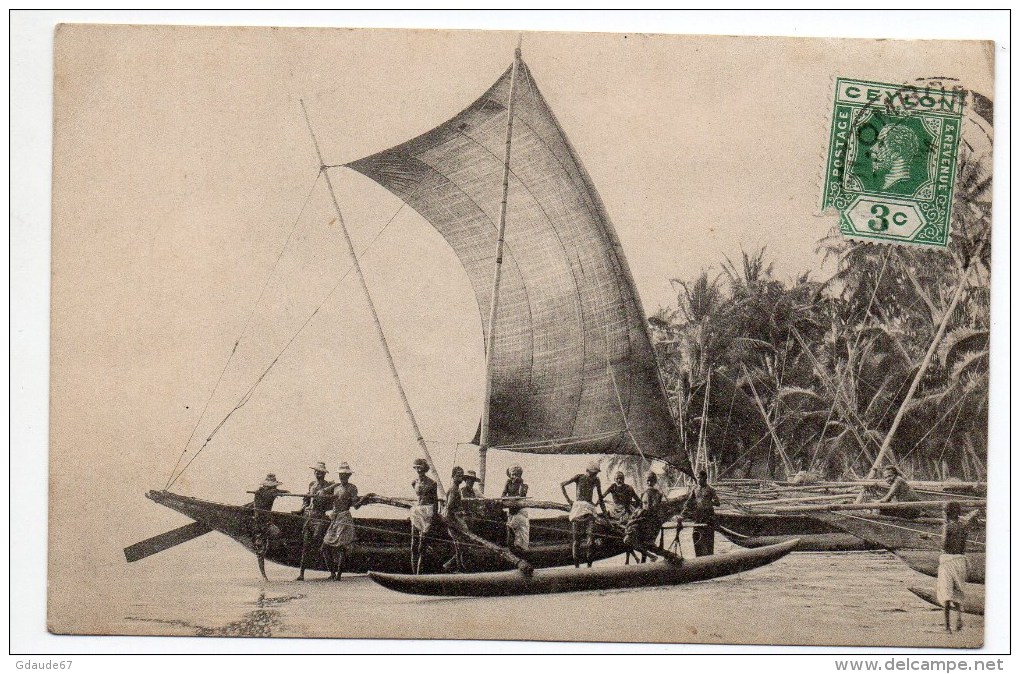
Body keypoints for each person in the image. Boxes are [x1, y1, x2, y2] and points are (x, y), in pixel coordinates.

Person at [321, 462, 370, 581]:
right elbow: (322, 493)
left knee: (342, 548)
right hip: (334, 518)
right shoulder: (336, 487)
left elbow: (356, 506)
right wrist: (329, 487)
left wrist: (365, 498)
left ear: (348, 476)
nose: (342, 477)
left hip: (344, 517)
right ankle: (332, 573)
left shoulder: (352, 488)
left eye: (345, 475)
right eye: (341, 475)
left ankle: (338, 575)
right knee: (325, 546)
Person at [938, 501, 982, 632]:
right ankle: (958, 619)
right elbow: (962, 546)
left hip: (948, 561)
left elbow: (944, 546)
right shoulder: (963, 527)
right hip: (961, 561)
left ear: (947, 513)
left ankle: (947, 627)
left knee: (946, 592)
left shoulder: (948, 527)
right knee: (958, 591)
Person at [561, 461, 605, 568]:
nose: (594, 475)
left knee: (590, 542)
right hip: (578, 510)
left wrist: (605, 515)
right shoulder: (579, 477)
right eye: (593, 473)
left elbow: (600, 497)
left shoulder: (596, 480)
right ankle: (577, 567)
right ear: (588, 471)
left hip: (589, 511)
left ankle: (589, 566)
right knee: (576, 542)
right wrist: (569, 501)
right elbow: (562, 485)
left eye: (596, 473)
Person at [294, 462, 333, 581]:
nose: (318, 474)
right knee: (306, 546)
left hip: (320, 517)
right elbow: (307, 499)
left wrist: (325, 493)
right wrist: (303, 507)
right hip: (309, 516)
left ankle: (332, 572)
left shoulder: (328, 486)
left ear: (324, 474)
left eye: (320, 472)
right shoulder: (311, 484)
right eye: (316, 471)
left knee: (321, 543)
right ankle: (301, 574)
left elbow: (332, 501)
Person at [251, 474, 288, 575]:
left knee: (277, 534)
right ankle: (263, 575)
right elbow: (271, 494)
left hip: (267, 522)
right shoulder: (263, 493)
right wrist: (279, 492)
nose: (275, 488)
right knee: (260, 550)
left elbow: (278, 492)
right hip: (259, 524)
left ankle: (271, 549)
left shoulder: (265, 492)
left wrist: (282, 492)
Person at [625, 472, 665, 562]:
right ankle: (648, 557)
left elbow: (653, 508)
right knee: (628, 532)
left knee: (630, 539)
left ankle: (650, 557)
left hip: (651, 520)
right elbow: (640, 506)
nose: (649, 483)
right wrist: (636, 512)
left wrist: (642, 512)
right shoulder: (644, 493)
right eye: (648, 481)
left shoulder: (657, 494)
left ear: (655, 482)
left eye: (651, 481)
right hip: (643, 518)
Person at [409, 457, 439, 575]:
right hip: (417, 511)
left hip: (427, 512)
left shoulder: (432, 483)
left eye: (420, 468)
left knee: (422, 546)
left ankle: (419, 574)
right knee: (413, 545)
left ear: (425, 469)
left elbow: (435, 501)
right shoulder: (414, 482)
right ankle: (413, 575)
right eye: (416, 468)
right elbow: (418, 497)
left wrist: (434, 517)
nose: (418, 470)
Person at [682, 469, 720, 557]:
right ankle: (698, 558)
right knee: (696, 536)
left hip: (708, 516)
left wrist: (708, 502)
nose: (698, 480)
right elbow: (688, 502)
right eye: (697, 478)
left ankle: (710, 559)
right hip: (698, 516)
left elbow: (718, 503)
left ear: (705, 478)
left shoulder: (711, 489)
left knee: (708, 539)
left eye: (700, 478)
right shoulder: (695, 489)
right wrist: (682, 514)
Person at [442, 467, 467, 572]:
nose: (460, 478)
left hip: (455, 520)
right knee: (460, 546)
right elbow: (449, 507)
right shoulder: (453, 489)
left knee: (460, 546)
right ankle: (456, 567)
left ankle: (456, 566)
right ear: (453, 476)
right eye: (458, 475)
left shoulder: (456, 489)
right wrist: (452, 523)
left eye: (461, 476)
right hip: (454, 521)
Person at [502, 465, 530, 552]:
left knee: (520, 530)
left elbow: (521, 496)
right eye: (512, 474)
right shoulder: (508, 482)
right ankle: (512, 547)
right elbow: (503, 495)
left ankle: (520, 548)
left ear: (520, 475)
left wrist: (520, 483)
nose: (513, 477)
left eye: (515, 474)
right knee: (510, 528)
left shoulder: (523, 485)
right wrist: (511, 499)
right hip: (512, 510)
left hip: (520, 511)